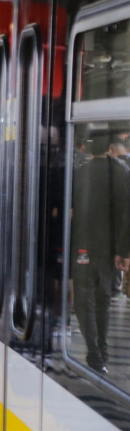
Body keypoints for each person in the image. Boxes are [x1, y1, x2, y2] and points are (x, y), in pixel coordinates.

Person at [70, 129, 130, 374]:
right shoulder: (122, 173)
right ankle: (102, 351)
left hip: (82, 246)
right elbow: (127, 216)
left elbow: (71, 212)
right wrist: (123, 251)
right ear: (110, 149)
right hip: (110, 249)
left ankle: (94, 351)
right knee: (104, 299)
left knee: (84, 299)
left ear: (88, 148)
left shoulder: (78, 174)